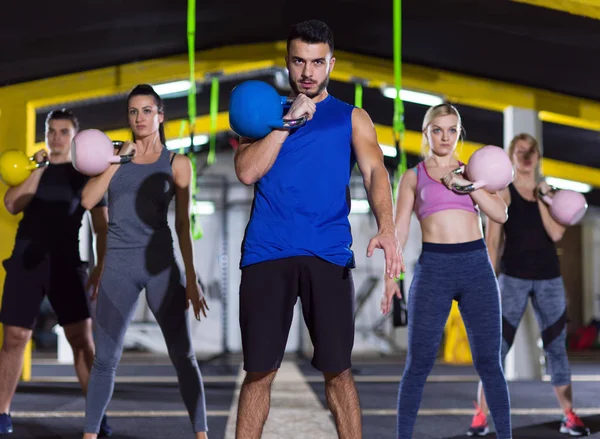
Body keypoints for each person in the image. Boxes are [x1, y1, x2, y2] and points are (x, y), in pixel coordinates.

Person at [233, 19, 402, 439]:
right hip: (267, 254)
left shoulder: (351, 117)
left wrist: (387, 226)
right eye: (298, 61)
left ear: (331, 63)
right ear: (287, 63)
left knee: (338, 371)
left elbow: (376, 170)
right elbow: (246, 172)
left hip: (327, 253)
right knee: (259, 371)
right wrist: (286, 123)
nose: (307, 72)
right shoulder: (264, 115)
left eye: (317, 62)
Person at [79, 84, 210, 439]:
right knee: (105, 360)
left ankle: (202, 434)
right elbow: (89, 200)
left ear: (160, 116)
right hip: (118, 268)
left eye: (146, 111)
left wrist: (193, 279)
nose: (139, 118)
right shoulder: (113, 156)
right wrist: (118, 162)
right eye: (133, 112)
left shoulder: (176, 163)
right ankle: (89, 435)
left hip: (161, 269)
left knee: (183, 357)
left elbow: (183, 225)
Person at [381, 103, 513, 439]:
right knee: (418, 365)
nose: (444, 137)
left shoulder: (473, 171)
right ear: (425, 133)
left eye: (451, 130)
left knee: (490, 364)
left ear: (459, 134)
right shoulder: (413, 177)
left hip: (476, 268)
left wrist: (469, 186)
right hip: (433, 270)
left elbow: (500, 214)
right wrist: (390, 278)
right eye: (437, 130)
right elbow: (399, 231)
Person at [466, 133, 590, 437]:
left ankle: (569, 415)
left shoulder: (550, 194)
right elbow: (493, 241)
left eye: (530, 151)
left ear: (537, 156)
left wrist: (545, 197)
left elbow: (557, 234)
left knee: (556, 348)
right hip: (513, 279)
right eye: (519, 151)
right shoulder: (504, 192)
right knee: (498, 348)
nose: (525, 156)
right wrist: (487, 280)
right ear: (511, 156)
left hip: (549, 278)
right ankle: (480, 415)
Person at [0, 109, 112, 436]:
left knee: (81, 339)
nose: (57, 137)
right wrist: (39, 168)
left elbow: (101, 228)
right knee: (14, 338)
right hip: (25, 261)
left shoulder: (87, 174)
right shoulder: (33, 169)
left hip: (65, 263)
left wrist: (100, 266)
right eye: (52, 131)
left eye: (64, 131)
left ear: (75, 137)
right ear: (46, 134)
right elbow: (11, 204)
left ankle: (97, 415)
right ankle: (3, 413)